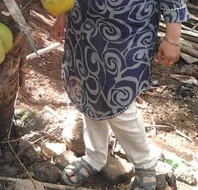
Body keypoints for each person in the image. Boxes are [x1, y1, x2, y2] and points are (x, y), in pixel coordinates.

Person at [53, 0, 190, 189]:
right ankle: (95, 156)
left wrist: (173, 38)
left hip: (128, 35)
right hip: (83, 29)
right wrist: (62, 12)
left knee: (118, 103)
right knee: (87, 94)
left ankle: (145, 164)